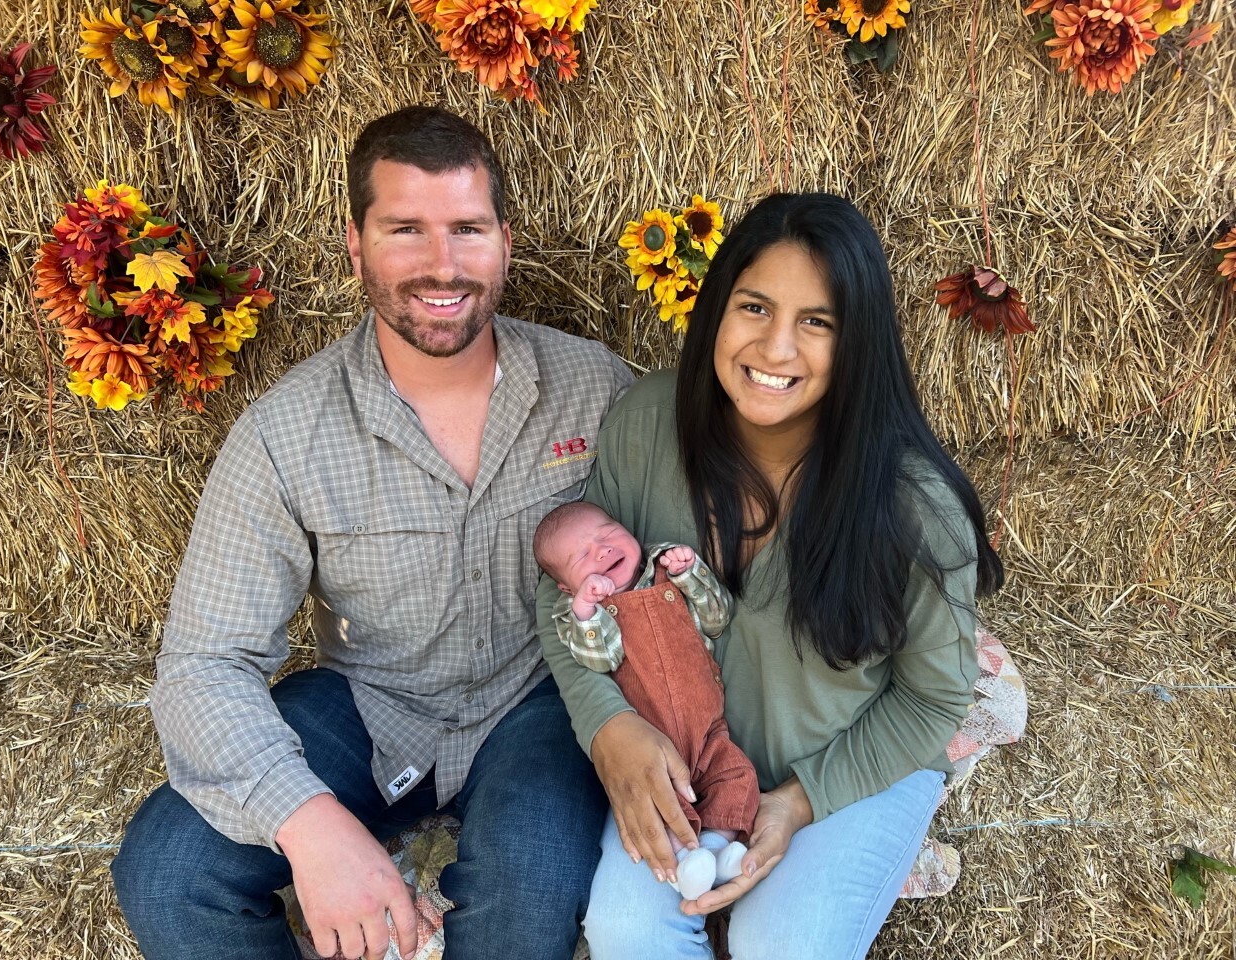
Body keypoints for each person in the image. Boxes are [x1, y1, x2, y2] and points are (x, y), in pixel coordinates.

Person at [110, 106, 634, 960]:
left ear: (505, 239)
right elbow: (205, 664)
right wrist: (310, 826)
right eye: (405, 229)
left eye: (467, 228)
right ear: (356, 245)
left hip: (533, 700)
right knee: (169, 873)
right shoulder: (284, 435)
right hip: (370, 700)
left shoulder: (595, 388)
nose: (442, 264)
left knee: (533, 884)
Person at [537, 192, 1005, 959]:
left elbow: (932, 699)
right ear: (717, 308)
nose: (776, 348)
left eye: (816, 322)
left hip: (845, 763)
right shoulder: (651, 420)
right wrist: (609, 729)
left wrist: (799, 801)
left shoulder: (912, 506)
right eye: (754, 307)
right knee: (624, 929)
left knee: (780, 944)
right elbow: (562, 595)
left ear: (858, 343)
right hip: (692, 766)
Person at [532, 501, 760, 899]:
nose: (601, 550)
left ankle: (717, 848)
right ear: (567, 587)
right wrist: (586, 611)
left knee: (737, 776)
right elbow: (599, 659)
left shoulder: (666, 567)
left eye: (606, 533)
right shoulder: (585, 615)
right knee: (658, 803)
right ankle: (684, 863)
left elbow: (717, 618)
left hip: (708, 729)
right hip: (653, 745)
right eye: (583, 555)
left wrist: (690, 573)